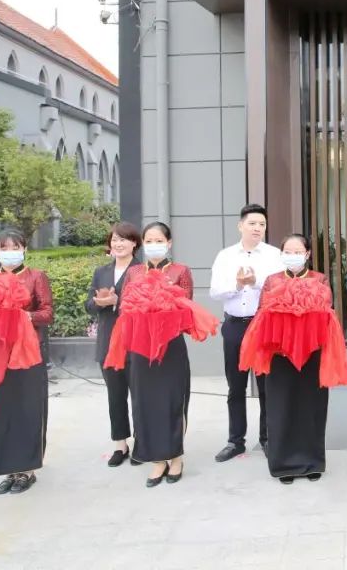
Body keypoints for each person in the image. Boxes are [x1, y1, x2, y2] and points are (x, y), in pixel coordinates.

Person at [254, 234, 342, 483]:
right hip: (279, 354)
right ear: (282, 254)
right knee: (281, 407)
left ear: (307, 254)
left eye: (298, 251)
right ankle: (283, 465)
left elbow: (326, 309)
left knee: (311, 407)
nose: (292, 256)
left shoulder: (319, 279)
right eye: (288, 251)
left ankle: (312, 462)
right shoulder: (272, 280)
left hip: (311, 352)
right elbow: (262, 313)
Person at [209, 204, 283, 462]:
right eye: (252, 223)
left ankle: (267, 438)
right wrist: (238, 285)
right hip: (235, 326)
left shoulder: (274, 255)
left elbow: (280, 289)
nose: (257, 228)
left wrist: (256, 282)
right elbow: (215, 291)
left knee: (266, 386)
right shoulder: (226, 256)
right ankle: (235, 441)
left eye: (262, 224)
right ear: (240, 225)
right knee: (236, 386)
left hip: (263, 325)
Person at [124, 222, 195, 487]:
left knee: (172, 401)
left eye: (159, 241)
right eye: (149, 241)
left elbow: (187, 308)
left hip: (171, 345)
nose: (154, 245)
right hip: (141, 347)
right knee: (145, 402)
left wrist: (163, 305)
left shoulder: (180, 271)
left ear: (169, 243)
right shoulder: (134, 272)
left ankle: (175, 457)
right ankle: (157, 459)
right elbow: (126, 307)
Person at [0, 231, 52, 495]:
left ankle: (27, 469)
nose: (9, 252)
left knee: (28, 409)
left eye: (15, 247)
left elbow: (47, 312)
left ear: (24, 249)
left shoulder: (36, 277)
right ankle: (8, 468)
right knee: (0, 411)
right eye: (4, 247)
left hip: (28, 352)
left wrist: (26, 317)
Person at [85, 222, 141, 467]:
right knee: (115, 396)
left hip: (134, 341)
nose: (118, 244)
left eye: (123, 239)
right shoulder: (101, 272)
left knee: (140, 395)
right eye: (114, 240)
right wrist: (100, 303)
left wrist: (119, 302)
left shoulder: (142, 270)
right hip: (108, 343)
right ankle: (120, 444)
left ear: (134, 243)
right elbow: (88, 305)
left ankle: (142, 441)